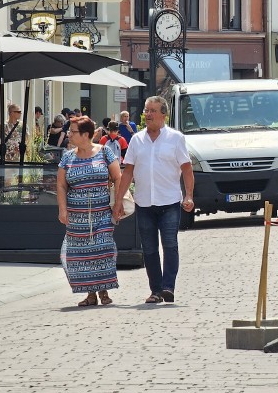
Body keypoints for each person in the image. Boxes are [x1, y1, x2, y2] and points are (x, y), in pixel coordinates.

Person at [113, 96, 194, 304]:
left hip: (169, 202)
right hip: (144, 202)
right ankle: (156, 290)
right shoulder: (137, 140)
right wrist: (119, 200)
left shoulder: (176, 138)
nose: (147, 114)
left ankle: (168, 287)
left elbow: (186, 169)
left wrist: (189, 195)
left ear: (163, 114)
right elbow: (128, 172)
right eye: (146, 111)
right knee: (149, 249)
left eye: (152, 111)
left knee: (170, 244)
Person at [57, 115, 121, 306]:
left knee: (102, 250)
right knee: (82, 255)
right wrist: (62, 210)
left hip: (102, 213)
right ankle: (90, 294)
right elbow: (61, 185)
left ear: (85, 134)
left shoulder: (105, 152)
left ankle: (104, 291)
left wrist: (117, 204)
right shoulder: (68, 157)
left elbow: (118, 177)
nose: (69, 134)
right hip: (77, 216)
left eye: (73, 131)